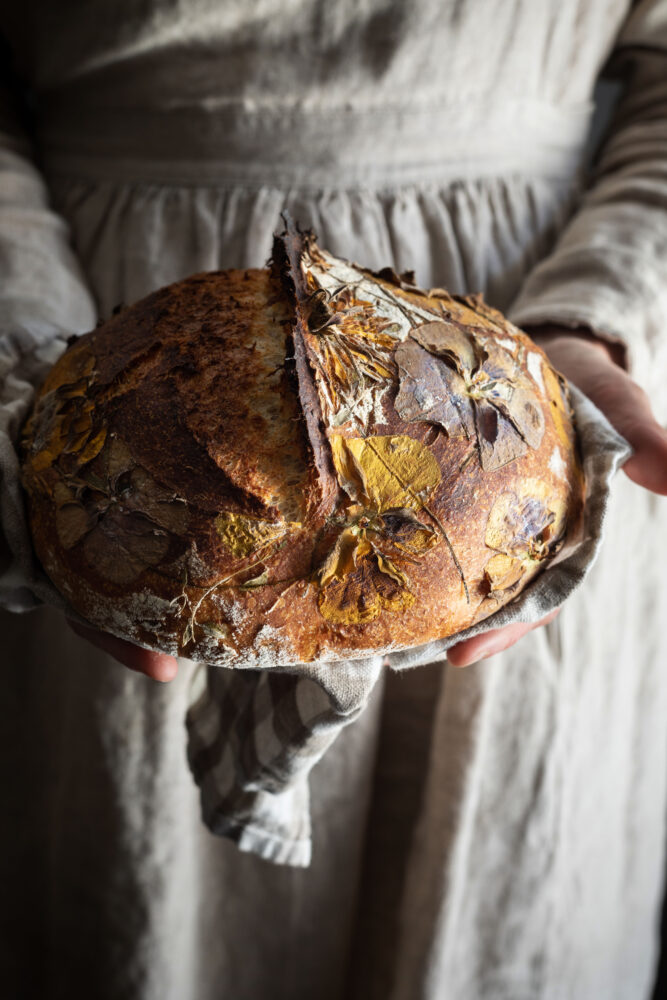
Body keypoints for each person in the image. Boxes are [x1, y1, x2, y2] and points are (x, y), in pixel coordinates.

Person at [1, 1, 666, 998]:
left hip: (509, 402)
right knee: (135, 901)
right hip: (95, 355)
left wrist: (601, 310)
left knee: (485, 897)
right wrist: (19, 333)